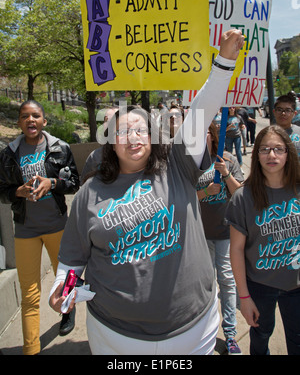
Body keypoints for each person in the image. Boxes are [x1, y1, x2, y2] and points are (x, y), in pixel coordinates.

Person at [49, 30, 245, 356]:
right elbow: (71, 261)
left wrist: (223, 63)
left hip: (194, 331)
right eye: (124, 131)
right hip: (116, 339)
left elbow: (200, 114)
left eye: (141, 129)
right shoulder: (88, 196)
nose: (134, 137)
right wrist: (61, 290)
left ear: (153, 137)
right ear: (111, 142)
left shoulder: (179, 165)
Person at [0, 100, 80, 355]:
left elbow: (75, 183)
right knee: (30, 294)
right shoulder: (8, 153)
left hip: (57, 225)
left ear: (44, 121)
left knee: (66, 279)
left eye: (35, 115)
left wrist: (53, 182)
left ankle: (68, 311)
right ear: (19, 122)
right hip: (25, 230)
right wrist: (17, 192)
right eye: (25, 116)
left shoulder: (60, 148)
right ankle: (31, 348)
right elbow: (2, 192)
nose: (30, 120)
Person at [227, 125, 300, 355]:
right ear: (256, 154)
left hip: (296, 286)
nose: (271, 155)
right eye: (265, 149)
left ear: (288, 153)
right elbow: (236, 250)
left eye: (278, 149)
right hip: (260, 286)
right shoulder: (243, 197)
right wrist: (244, 297)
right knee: (261, 338)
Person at [197, 122, 244, 354]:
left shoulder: (227, 159)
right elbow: (181, 198)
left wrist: (225, 174)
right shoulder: (190, 165)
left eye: (205, 132)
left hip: (226, 233)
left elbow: (240, 194)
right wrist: (206, 192)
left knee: (227, 281)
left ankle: (231, 333)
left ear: (213, 135)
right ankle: (206, 331)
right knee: (205, 285)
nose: (200, 137)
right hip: (200, 236)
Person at [273, 91, 300, 158]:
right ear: (274, 112)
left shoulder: (298, 132)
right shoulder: (266, 134)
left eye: (288, 110)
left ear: (294, 113)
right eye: (279, 109)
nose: (283, 113)